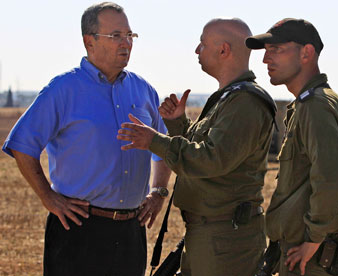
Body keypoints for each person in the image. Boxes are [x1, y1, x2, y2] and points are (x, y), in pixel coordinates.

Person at [2, 2, 171, 276]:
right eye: (116, 35)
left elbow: (164, 146)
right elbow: (22, 145)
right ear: (88, 41)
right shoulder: (63, 89)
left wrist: (159, 192)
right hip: (77, 230)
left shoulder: (143, 90)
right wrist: (48, 197)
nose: (126, 42)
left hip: (131, 232)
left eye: (130, 35)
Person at [117, 18, 277, 276]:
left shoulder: (245, 102)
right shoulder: (230, 98)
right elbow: (205, 150)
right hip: (212, 235)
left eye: (202, 44)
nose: (196, 51)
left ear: (223, 50)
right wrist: (178, 123)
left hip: (226, 240)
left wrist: (153, 140)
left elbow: (211, 160)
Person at [245, 18, 338, 276]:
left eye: (276, 50)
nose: (266, 60)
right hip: (301, 251)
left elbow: (333, 178)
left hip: (310, 257)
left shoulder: (316, 106)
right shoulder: (307, 104)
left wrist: (315, 239)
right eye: (266, 51)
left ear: (306, 52)